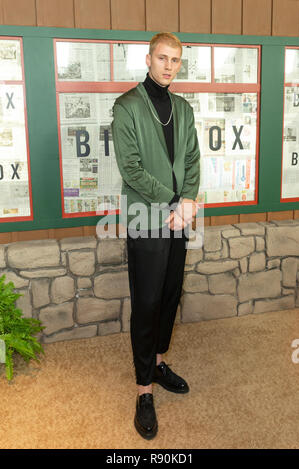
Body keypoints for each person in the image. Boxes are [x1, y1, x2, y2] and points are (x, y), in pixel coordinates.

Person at [111, 32, 200, 440]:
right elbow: (131, 170)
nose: (169, 66)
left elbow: (193, 159)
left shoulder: (183, 108)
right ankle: (143, 390)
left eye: (175, 60)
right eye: (162, 58)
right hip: (147, 217)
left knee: (169, 295)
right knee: (146, 302)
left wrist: (188, 201)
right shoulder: (127, 106)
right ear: (148, 59)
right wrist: (173, 201)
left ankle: (159, 365)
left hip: (178, 219)